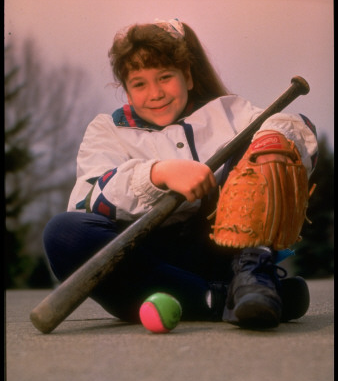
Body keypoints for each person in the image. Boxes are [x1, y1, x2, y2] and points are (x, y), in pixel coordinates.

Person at [43, 18, 318, 329]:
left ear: (187, 76)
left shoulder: (229, 113)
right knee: (63, 233)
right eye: (140, 83)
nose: (155, 93)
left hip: (228, 253)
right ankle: (224, 299)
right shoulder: (107, 129)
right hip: (153, 263)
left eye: (164, 77)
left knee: (262, 138)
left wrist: (274, 142)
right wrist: (158, 174)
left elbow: (295, 128)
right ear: (126, 90)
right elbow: (90, 198)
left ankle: (252, 277)